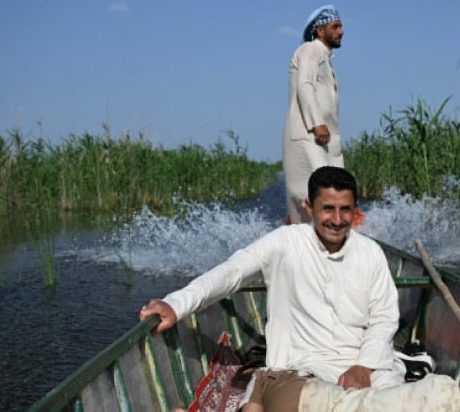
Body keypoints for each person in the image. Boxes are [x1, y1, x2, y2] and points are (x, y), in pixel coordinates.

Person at [140, 166, 407, 409]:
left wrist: (363, 366)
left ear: (355, 209)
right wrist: (176, 304)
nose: (337, 220)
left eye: (345, 209)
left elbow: (384, 318)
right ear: (309, 207)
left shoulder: (370, 252)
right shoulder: (285, 242)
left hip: (368, 365)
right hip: (305, 368)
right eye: (328, 209)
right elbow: (231, 272)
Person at [282, 5, 345, 224]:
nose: (341, 31)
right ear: (320, 31)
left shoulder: (326, 58)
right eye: (335, 27)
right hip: (309, 135)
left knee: (334, 194)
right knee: (319, 196)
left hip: (327, 141)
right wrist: (317, 123)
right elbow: (305, 86)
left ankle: (342, 242)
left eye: (341, 26)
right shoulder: (309, 50)